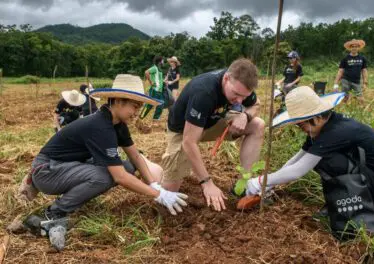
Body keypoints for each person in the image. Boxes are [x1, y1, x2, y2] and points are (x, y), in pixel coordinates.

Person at [17, 74, 188, 251]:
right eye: (135, 106)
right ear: (120, 101)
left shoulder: (117, 124)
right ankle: (54, 212)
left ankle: (70, 200)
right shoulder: (100, 126)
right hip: (46, 171)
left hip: (64, 166)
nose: (137, 113)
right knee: (106, 176)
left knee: (128, 166)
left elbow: (135, 157)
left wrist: (154, 183)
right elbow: (119, 177)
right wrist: (157, 194)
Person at [244, 86, 374, 234]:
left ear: (315, 117)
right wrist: (270, 182)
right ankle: (341, 204)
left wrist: (259, 181)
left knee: (325, 160)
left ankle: (353, 213)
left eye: (300, 125)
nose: (301, 130)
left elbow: (300, 169)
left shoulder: (337, 131)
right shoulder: (322, 128)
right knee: (319, 158)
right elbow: (297, 159)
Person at [162, 58, 265, 212]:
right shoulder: (204, 92)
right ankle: (150, 171)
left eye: (244, 97)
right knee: (168, 194)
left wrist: (245, 116)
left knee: (258, 125)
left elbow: (255, 104)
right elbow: (189, 142)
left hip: (212, 121)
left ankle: (245, 183)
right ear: (226, 78)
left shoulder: (241, 85)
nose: (239, 101)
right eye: (236, 95)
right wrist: (207, 183)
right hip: (183, 130)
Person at [139, 55, 165, 124]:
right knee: (149, 105)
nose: (163, 61)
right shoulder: (155, 68)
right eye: (162, 60)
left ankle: (155, 121)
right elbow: (146, 72)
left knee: (161, 104)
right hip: (154, 90)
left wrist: (164, 82)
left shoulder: (159, 69)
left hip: (159, 91)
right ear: (160, 61)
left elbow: (159, 79)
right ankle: (140, 118)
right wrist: (151, 82)